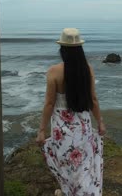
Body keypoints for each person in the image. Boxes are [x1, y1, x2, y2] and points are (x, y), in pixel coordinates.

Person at [36, 28, 106, 196]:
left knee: (65, 162)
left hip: (63, 129)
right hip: (83, 127)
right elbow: (93, 100)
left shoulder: (54, 71)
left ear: (62, 49)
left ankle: (68, 191)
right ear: (79, 49)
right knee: (82, 164)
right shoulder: (87, 69)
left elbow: (49, 104)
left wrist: (41, 130)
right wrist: (100, 122)